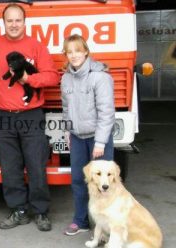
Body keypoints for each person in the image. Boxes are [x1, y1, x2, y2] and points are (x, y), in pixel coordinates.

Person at [0, 3, 59, 232]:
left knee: (36, 165)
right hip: (3, 116)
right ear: (4, 22)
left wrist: (28, 80)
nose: (13, 24)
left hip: (31, 115)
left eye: (18, 20)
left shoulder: (36, 46)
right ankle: (18, 211)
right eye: (9, 20)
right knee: (10, 168)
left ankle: (41, 212)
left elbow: (52, 77)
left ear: (24, 22)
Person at [61, 34, 115, 235]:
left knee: (103, 184)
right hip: (77, 137)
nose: (74, 55)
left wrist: (100, 142)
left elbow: (107, 112)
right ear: (66, 54)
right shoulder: (65, 78)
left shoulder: (100, 77)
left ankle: (108, 226)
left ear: (85, 51)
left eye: (77, 50)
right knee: (78, 180)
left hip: (97, 139)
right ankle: (81, 221)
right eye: (69, 51)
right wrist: (67, 131)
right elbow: (65, 108)